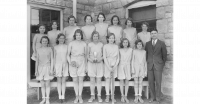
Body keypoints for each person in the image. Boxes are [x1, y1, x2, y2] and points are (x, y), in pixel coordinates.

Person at [145, 28, 167, 103]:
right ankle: (152, 97)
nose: (153, 34)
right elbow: (146, 54)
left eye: (155, 33)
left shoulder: (161, 43)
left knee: (158, 82)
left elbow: (164, 55)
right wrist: (147, 62)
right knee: (150, 82)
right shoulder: (147, 44)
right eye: (152, 33)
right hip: (150, 65)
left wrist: (161, 64)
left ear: (157, 34)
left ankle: (158, 98)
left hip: (158, 65)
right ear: (150, 35)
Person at [67, 29, 87, 103]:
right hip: (73, 61)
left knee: (81, 79)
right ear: (75, 36)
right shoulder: (71, 43)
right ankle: (76, 96)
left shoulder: (84, 43)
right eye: (77, 35)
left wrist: (86, 66)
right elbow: (68, 55)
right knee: (75, 80)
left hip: (81, 61)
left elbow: (86, 55)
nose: (78, 36)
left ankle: (80, 96)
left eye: (79, 35)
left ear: (81, 36)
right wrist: (70, 62)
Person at [35, 36, 54, 104]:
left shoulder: (50, 49)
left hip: (47, 67)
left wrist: (51, 69)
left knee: (47, 84)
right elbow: (37, 61)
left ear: (47, 42)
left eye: (46, 41)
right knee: (42, 84)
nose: (45, 42)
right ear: (41, 42)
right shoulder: (38, 49)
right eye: (43, 41)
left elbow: (52, 59)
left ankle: (47, 99)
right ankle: (43, 99)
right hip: (40, 68)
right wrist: (36, 70)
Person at [87, 31, 104, 103]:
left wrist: (100, 59)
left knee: (99, 80)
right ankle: (92, 95)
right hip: (91, 64)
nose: (95, 37)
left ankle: (99, 95)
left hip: (99, 63)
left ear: (98, 37)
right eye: (94, 36)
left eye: (97, 36)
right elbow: (87, 55)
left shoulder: (101, 44)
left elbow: (104, 55)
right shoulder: (89, 44)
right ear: (92, 37)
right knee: (92, 80)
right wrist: (91, 60)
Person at [103, 33, 119, 102]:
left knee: (113, 81)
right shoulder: (105, 46)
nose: (111, 39)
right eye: (110, 38)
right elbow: (104, 57)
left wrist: (115, 65)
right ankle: (107, 95)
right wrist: (108, 67)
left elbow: (118, 58)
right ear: (108, 39)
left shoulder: (116, 46)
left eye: (113, 38)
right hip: (107, 64)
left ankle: (112, 95)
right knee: (107, 80)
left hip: (114, 63)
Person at [53, 33, 68, 103]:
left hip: (65, 64)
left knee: (64, 81)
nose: (61, 39)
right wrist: (53, 68)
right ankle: (60, 96)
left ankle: (63, 95)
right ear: (58, 39)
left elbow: (68, 56)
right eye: (60, 38)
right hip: (57, 65)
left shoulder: (67, 46)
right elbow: (53, 58)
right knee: (59, 81)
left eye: (63, 38)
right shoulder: (55, 47)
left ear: (64, 39)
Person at [118, 38, 133, 103]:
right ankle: (122, 96)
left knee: (127, 81)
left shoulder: (131, 50)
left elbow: (132, 60)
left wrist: (132, 69)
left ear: (128, 43)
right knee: (121, 81)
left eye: (126, 42)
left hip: (128, 66)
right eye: (124, 42)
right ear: (122, 43)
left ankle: (126, 96)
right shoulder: (120, 50)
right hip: (121, 66)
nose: (125, 44)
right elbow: (118, 59)